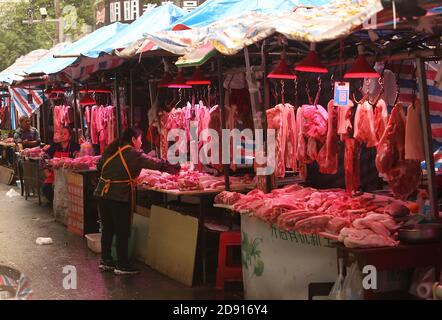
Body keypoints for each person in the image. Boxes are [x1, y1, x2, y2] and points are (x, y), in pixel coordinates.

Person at [94, 127, 180, 275]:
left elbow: (99, 166)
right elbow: (155, 163)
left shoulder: (112, 149)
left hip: (102, 193)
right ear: (133, 140)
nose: (141, 142)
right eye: (140, 139)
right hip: (118, 195)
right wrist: (177, 168)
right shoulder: (133, 153)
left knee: (107, 229)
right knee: (122, 230)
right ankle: (122, 264)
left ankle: (106, 261)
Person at [42, 126, 80, 203]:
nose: (62, 135)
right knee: (46, 189)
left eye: (65, 134)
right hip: (54, 175)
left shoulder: (75, 146)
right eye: (61, 133)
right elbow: (44, 156)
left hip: (70, 175)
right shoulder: (55, 146)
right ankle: (56, 203)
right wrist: (45, 169)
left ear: (70, 136)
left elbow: (78, 160)